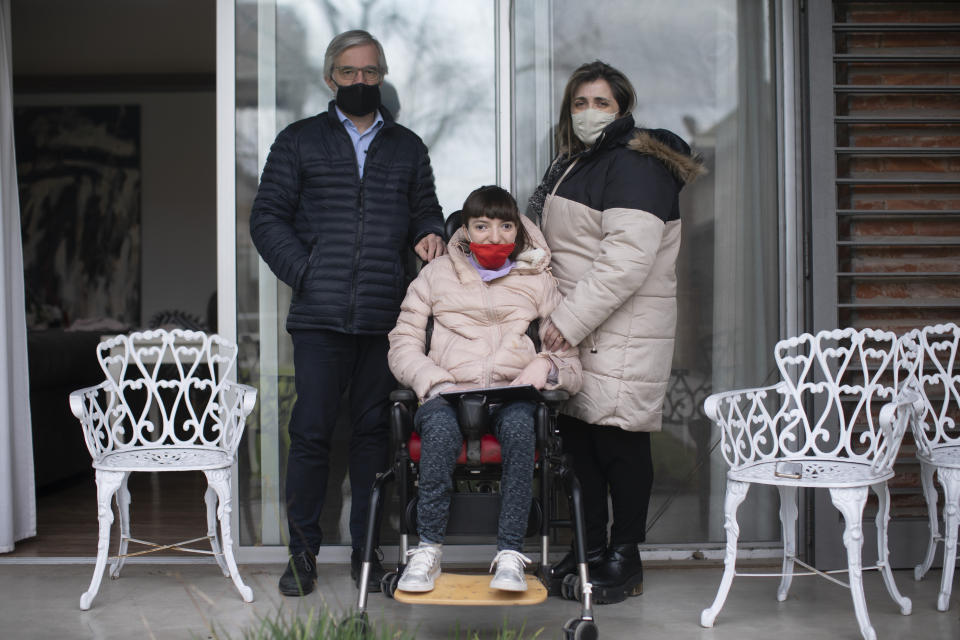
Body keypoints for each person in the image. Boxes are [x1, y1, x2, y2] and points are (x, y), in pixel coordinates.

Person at [249, 29, 446, 597]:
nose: (360, 82)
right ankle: (302, 555)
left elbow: (424, 211)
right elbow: (267, 219)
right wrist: (307, 271)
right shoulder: (298, 141)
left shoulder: (408, 147)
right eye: (349, 73)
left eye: (370, 73)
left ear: (382, 76)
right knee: (310, 436)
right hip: (318, 318)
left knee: (370, 440)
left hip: (386, 318)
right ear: (330, 78)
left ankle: (366, 554)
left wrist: (430, 233)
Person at [527, 60, 704, 604]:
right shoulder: (576, 163)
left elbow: (626, 261)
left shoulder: (634, 164)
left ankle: (624, 559)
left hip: (619, 329)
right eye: (579, 103)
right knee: (582, 444)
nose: (588, 113)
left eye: (601, 103)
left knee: (619, 444)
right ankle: (588, 548)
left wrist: (565, 322)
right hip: (583, 327)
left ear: (623, 109)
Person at [388, 185, 582, 593]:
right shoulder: (435, 275)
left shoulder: (538, 281)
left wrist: (543, 365)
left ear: (518, 232)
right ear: (467, 231)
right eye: (482, 226)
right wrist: (432, 379)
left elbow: (570, 360)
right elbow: (402, 344)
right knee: (438, 433)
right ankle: (427, 552)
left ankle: (510, 554)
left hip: (510, 394)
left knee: (518, 428)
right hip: (446, 390)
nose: (494, 237)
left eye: (505, 226)